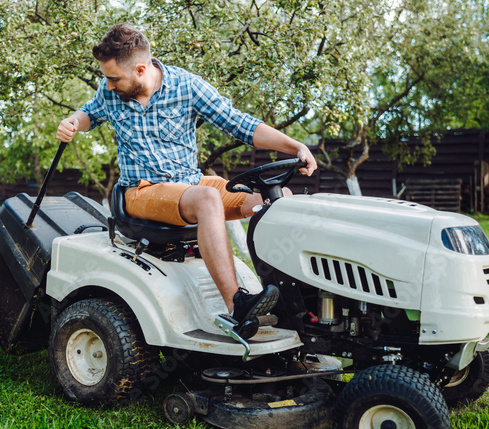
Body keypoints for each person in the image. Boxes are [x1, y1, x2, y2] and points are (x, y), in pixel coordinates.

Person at [57, 23, 317, 338]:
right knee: (206, 199)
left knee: (278, 200)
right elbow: (90, 114)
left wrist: (296, 146)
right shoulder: (109, 92)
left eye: (114, 78)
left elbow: (240, 124)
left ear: (141, 69)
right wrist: (73, 122)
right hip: (141, 191)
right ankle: (237, 305)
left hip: (191, 184)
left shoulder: (187, 86)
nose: (108, 86)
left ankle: (298, 301)